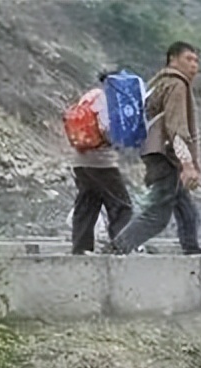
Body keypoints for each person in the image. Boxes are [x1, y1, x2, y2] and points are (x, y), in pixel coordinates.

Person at [110, 41, 201, 255]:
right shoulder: (177, 85)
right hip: (166, 156)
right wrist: (187, 164)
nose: (194, 66)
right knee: (157, 215)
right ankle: (118, 248)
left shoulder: (159, 82)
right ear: (173, 59)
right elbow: (176, 127)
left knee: (186, 210)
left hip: (157, 153)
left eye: (196, 61)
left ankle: (192, 251)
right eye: (188, 59)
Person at [69, 71, 133, 255]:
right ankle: (121, 248)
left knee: (88, 204)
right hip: (102, 162)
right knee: (122, 206)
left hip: (80, 160)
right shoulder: (108, 101)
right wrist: (120, 140)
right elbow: (106, 130)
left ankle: (81, 249)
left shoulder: (89, 96)